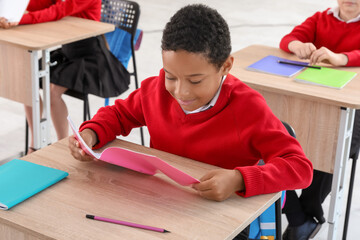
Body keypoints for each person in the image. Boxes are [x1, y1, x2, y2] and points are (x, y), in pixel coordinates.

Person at [69, 2, 312, 229]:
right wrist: (90, 134)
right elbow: (119, 114)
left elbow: (300, 168)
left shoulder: (248, 108)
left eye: (195, 80)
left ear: (225, 66)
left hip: (219, 220)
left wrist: (238, 179)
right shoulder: (155, 90)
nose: (180, 92)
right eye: (171, 76)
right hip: (161, 210)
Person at [0, 0, 130, 153]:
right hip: (69, 50)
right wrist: (9, 15)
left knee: (52, 92)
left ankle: (62, 145)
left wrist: (18, 21)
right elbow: (40, 5)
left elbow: (57, 11)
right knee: (28, 81)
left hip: (90, 55)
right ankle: (35, 144)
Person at [279, 0, 360, 239]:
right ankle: (301, 218)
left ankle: (302, 216)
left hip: (351, 108)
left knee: (334, 148)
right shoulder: (321, 17)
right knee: (275, 136)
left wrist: (341, 58)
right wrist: (297, 45)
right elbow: (288, 39)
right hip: (316, 101)